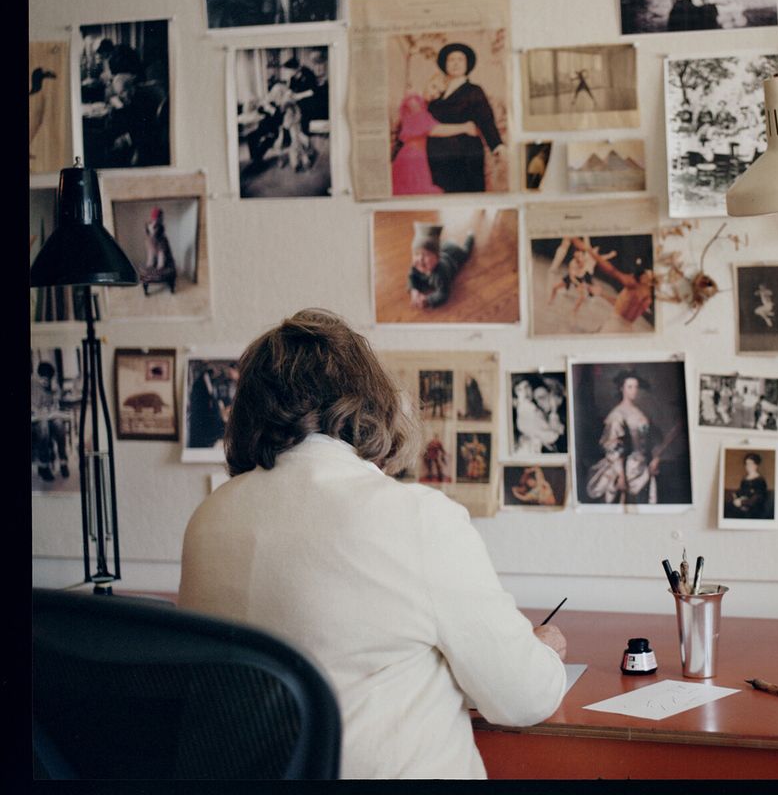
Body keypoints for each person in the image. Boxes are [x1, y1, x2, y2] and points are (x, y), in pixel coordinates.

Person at [178, 309, 566, 778]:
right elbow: (524, 699)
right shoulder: (418, 518)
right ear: (369, 404)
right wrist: (541, 650)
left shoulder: (209, 519)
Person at [425, 43, 504, 193]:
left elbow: (486, 120)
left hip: (465, 157)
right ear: (445, 64)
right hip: (438, 159)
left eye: (460, 60)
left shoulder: (474, 90)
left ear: (467, 64)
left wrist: (497, 146)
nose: (455, 64)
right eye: (451, 60)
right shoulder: (437, 94)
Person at [585, 370, 660, 504]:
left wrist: (655, 458)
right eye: (629, 387)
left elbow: (650, 439)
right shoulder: (616, 415)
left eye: (636, 387)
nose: (634, 390)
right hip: (625, 469)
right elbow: (613, 447)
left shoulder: (639, 412)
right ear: (622, 388)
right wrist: (621, 476)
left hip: (643, 467)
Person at [408, 222, 475, 310]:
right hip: (443, 247)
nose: (420, 259)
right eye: (416, 254)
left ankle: (470, 236)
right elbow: (411, 276)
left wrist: (428, 300)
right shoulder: (417, 266)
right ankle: (446, 243)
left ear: (437, 259)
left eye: (426, 255)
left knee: (466, 253)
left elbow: (444, 293)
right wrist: (414, 290)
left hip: (453, 255)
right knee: (439, 245)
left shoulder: (441, 273)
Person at [31, 361, 70, 482]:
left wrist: (55, 391)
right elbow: (33, 408)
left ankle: (63, 462)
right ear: (38, 376)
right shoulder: (32, 384)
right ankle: (44, 465)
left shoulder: (51, 386)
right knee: (43, 427)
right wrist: (39, 410)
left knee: (59, 424)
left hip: (48, 417)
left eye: (48, 379)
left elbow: (54, 406)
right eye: (43, 379)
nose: (45, 382)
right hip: (35, 420)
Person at [139, 207, 177, 296]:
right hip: (156, 259)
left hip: (166, 261)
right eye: (152, 226)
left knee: (160, 261)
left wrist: (160, 266)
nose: (153, 229)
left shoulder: (162, 239)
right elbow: (150, 254)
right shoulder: (148, 239)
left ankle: (168, 281)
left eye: (155, 227)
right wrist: (150, 264)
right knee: (147, 265)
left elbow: (161, 254)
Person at [729, 452, 769, 517]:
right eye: (747, 464)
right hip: (742, 507)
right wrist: (736, 495)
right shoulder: (744, 480)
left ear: (756, 465)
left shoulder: (760, 481)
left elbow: (758, 498)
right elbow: (742, 492)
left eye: (750, 464)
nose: (748, 466)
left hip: (755, 510)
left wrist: (742, 502)